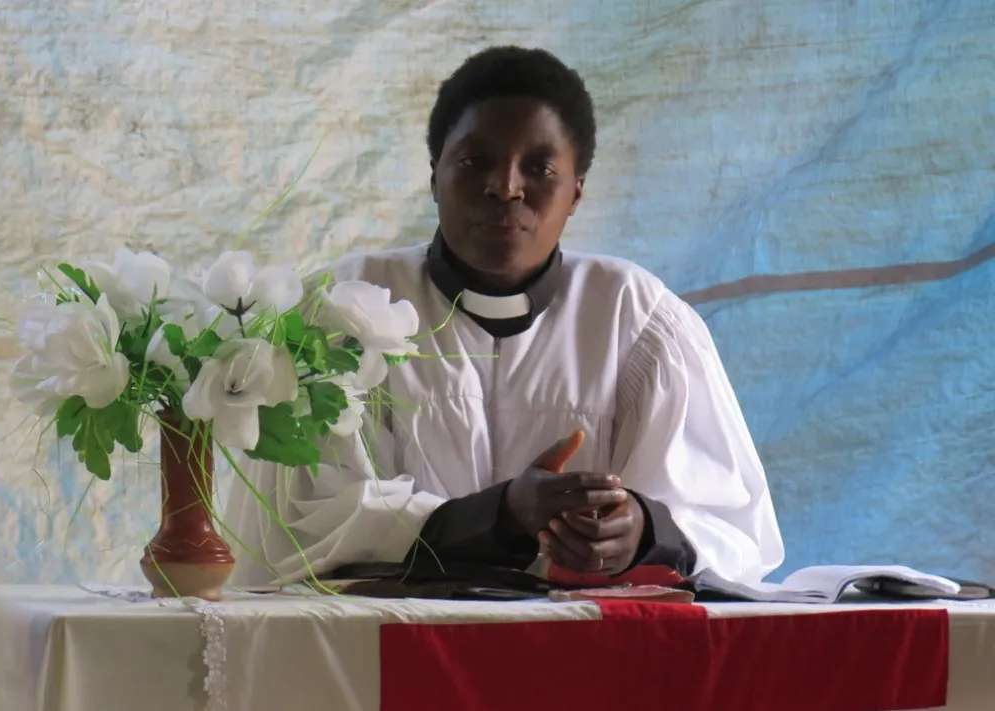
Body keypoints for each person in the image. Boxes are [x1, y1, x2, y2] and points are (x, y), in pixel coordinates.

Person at [225, 46, 784, 587]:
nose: (505, 187)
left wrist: (641, 529)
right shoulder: (346, 306)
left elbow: (730, 525)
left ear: (576, 193)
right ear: (434, 177)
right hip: (391, 657)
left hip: (587, 657)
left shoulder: (635, 319)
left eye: (539, 167)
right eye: (475, 161)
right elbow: (300, 519)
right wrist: (498, 516)